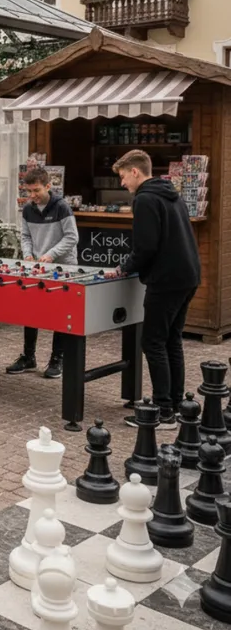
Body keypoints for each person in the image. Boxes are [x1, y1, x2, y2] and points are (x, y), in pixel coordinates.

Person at [105, 149, 200, 429]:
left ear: (135, 171)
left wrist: (123, 268)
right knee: (172, 339)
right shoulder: (172, 194)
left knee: (152, 342)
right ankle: (179, 405)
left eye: (123, 177)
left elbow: (145, 247)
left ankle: (162, 410)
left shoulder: (145, 199)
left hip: (166, 279)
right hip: (188, 276)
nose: (122, 184)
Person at [8, 167, 79, 379]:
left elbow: (71, 237)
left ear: (48, 186)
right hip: (38, 267)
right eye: (29, 191)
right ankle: (29, 357)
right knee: (31, 310)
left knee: (61, 314)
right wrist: (28, 255)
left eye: (36, 190)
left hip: (63, 267)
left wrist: (50, 255)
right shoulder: (28, 209)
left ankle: (57, 358)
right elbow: (26, 236)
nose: (32, 195)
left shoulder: (62, 207)